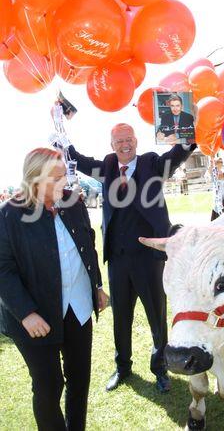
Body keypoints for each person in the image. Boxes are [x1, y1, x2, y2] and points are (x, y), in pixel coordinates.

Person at [67, 123, 196, 393]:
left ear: (136, 140)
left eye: (129, 139)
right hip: (118, 259)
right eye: (119, 141)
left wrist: (186, 134)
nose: (125, 144)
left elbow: (176, 156)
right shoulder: (109, 166)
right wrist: (62, 141)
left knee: (156, 317)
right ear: (112, 145)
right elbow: (79, 161)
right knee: (121, 317)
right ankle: (123, 367)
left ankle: (159, 367)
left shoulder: (151, 163)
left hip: (150, 258)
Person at [0, 148, 109, 431]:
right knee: (49, 385)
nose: (67, 183)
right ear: (36, 179)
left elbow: (88, 244)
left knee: (78, 380)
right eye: (59, 178)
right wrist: (26, 313)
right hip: (35, 317)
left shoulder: (73, 203)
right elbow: (3, 271)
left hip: (78, 307)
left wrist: (96, 285)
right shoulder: (8, 215)